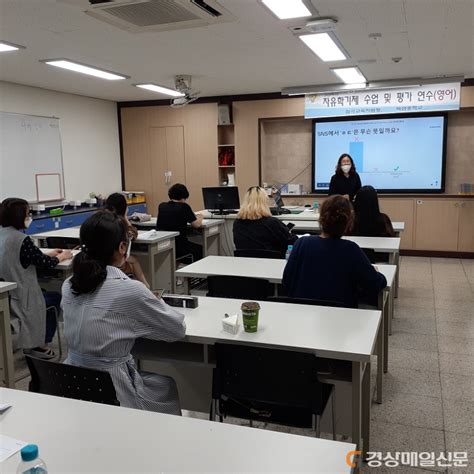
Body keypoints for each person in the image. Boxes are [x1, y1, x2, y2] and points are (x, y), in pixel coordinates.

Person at [62, 211, 186, 414]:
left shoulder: (69, 285)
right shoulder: (129, 289)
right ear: (122, 248)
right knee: (166, 387)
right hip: (112, 388)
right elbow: (177, 329)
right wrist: (155, 300)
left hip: (71, 382)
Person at [282, 195, 386, 308]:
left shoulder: (301, 243)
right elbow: (376, 284)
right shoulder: (351, 250)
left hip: (301, 313)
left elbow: (287, 281)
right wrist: (374, 272)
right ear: (349, 223)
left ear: (321, 218)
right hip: (340, 317)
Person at [0, 198, 72, 358]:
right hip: (20, 297)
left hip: (6, 295)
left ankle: (32, 339)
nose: (29, 217)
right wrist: (63, 256)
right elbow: (46, 263)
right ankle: (39, 345)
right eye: (27, 214)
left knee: (44, 291)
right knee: (54, 297)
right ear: (18, 217)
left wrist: (46, 254)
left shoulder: (3, 234)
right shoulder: (21, 239)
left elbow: (22, 258)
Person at [233, 186, 297, 258]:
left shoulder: (237, 223)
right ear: (265, 202)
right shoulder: (272, 223)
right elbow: (291, 242)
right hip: (273, 263)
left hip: (246, 263)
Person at [105, 193, 150, 288]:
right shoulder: (119, 223)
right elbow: (133, 235)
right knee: (134, 260)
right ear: (123, 208)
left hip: (102, 257)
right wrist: (125, 217)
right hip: (114, 258)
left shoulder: (102, 218)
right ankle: (146, 287)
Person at [156, 183, 203, 262]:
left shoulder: (162, 206)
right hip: (179, 246)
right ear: (184, 196)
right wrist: (200, 217)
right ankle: (194, 272)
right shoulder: (184, 207)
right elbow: (197, 225)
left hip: (163, 245)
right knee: (199, 249)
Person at [352, 185, 395, 262]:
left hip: (355, 257)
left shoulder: (351, 220)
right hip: (379, 257)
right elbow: (391, 239)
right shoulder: (383, 219)